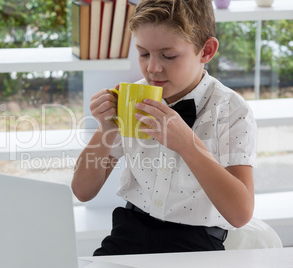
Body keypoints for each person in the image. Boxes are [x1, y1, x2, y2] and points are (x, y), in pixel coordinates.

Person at [71, 0, 257, 255]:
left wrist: (186, 144)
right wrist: (106, 129)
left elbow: (240, 214)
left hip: (197, 242)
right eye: (143, 53)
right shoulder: (130, 97)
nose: (152, 68)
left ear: (206, 51)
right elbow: (82, 191)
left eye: (168, 56)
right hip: (129, 231)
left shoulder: (232, 110)